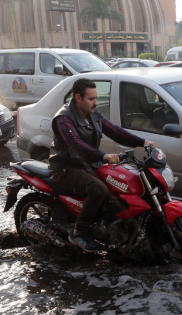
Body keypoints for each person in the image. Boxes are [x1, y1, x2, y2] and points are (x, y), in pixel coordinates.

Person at [50, 78, 154, 251]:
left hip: (88, 164)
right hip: (66, 168)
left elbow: (115, 131)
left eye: (95, 98)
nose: (94, 103)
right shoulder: (63, 119)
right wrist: (104, 156)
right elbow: (76, 144)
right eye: (91, 99)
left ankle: (112, 232)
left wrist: (142, 142)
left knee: (119, 187)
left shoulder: (93, 114)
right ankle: (78, 233)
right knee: (99, 189)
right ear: (78, 97)